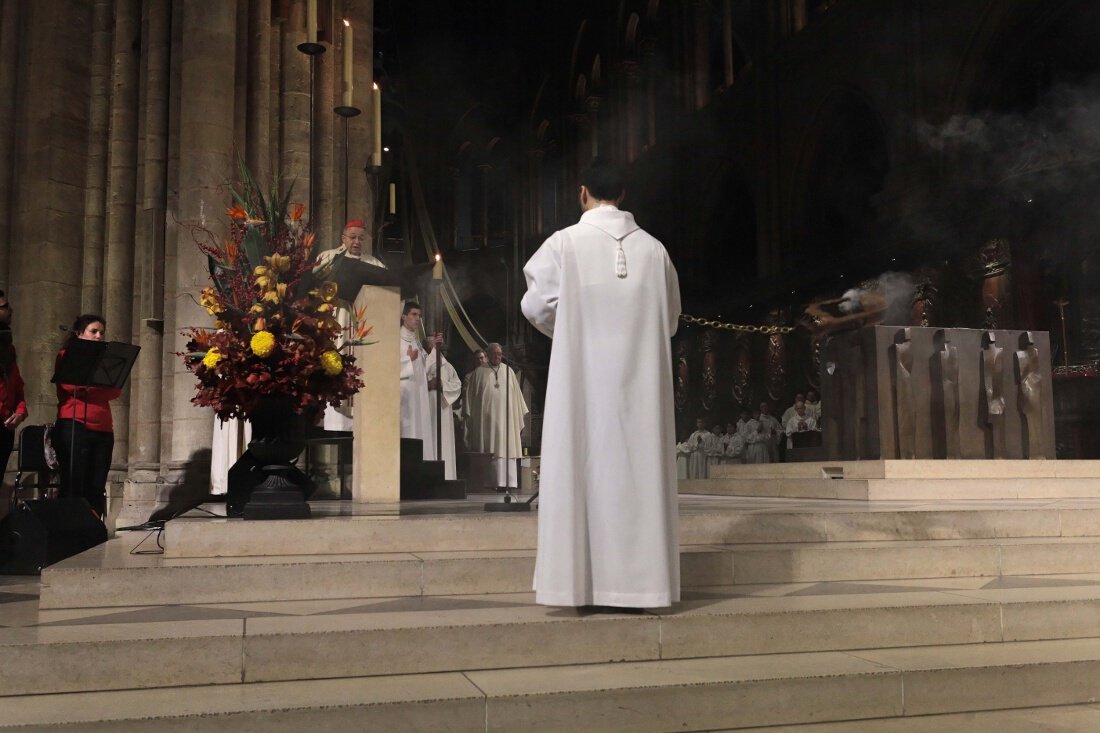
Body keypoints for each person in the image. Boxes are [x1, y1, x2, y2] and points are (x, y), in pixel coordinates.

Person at [522, 156, 681, 610]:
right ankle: (644, 586)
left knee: (582, 464)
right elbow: (669, 320)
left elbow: (535, 306)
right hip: (642, 389)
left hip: (582, 381)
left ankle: (577, 585)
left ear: (582, 192)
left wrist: (575, 328)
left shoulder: (562, 244)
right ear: (625, 195)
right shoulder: (655, 250)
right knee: (638, 469)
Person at [314, 219, 386, 431]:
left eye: (360, 238)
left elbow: (389, 290)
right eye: (352, 237)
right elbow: (311, 285)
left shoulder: (373, 264)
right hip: (336, 318)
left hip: (362, 321)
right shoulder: (328, 258)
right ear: (343, 238)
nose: (356, 242)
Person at [54, 314, 121, 519]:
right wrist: (95, 389)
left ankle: (92, 527)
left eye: (102, 332)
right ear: (80, 333)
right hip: (73, 423)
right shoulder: (66, 354)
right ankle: (69, 525)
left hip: (102, 427)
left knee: (97, 482)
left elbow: (114, 391)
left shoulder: (108, 361)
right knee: (74, 480)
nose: (99, 336)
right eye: (93, 331)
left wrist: (88, 389)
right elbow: (68, 386)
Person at [462, 342, 528, 489]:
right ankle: (490, 483)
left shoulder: (509, 371)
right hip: (486, 422)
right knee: (490, 446)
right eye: (494, 354)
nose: (498, 357)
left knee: (506, 448)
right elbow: (471, 400)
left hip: (507, 421)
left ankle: (509, 483)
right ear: (488, 354)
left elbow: (517, 398)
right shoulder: (479, 373)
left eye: (500, 354)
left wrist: (519, 417)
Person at [399, 302, 442, 460]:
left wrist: (436, 348)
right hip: (405, 394)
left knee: (420, 427)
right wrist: (407, 360)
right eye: (414, 314)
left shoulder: (415, 341)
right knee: (408, 430)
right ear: (404, 316)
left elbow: (426, 367)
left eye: (420, 316)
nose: (418, 319)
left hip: (419, 392)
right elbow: (388, 366)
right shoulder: (397, 339)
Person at [0, 290, 28, 471]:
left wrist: (20, 411)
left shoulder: (8, 348)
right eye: (4, 306)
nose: (11, 310)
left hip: (5, 427)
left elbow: (17, 386)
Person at [426, 350, 461, 480]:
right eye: (429, 348)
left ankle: (447, 475)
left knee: (442, 439)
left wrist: (442, 384)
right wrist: (428, 384)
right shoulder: (422, 364)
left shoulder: (448, 367)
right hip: (427, 407)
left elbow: (457, 385)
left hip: (443, 409)